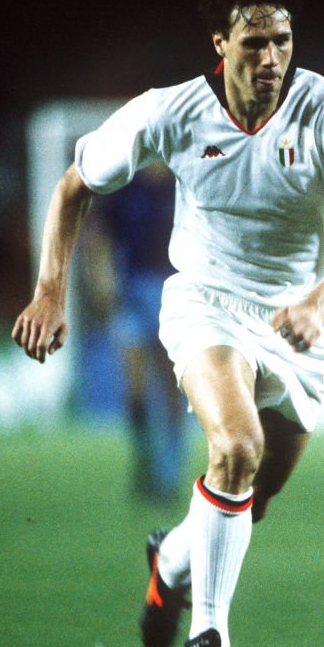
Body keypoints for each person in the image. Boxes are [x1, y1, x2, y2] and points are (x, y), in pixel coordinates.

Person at [12, 0, 324, 647]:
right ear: (220, 44)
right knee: (237, 449)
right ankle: (209, 646)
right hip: (207, 305)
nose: (272, 57)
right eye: (255, 41)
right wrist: (51, 290)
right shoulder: (170, 113)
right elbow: (73, 187)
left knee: (254, 492)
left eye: (282, 39)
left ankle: (174, 557)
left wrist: (319, 302)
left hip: (303, 321)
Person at [84, 164, 187, 500]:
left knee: (173, 386)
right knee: (135, 389)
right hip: (131, 291)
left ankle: (169, 471)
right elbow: (98, 238)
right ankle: (144, 461)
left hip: (176, 292)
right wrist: (102, 283)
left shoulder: (185, 183)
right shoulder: (125, 188)